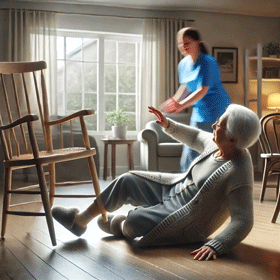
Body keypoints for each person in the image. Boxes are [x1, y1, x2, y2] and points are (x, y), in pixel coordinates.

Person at [51, 104, 261, 261]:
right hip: (172, 189)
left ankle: (120, 223)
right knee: (127, 180)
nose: (214, 125)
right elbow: (196, 136)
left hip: (184, 216)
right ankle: (80, 220)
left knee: (133, 225)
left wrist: (217, 245)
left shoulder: (238, 171)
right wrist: (168, 125)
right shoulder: (218, 145)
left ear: (233, 140)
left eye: (220, 125)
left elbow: (243, 220)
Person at [160, 27, 231, 172]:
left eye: (187, 42)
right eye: (181, 43)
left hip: (217, 110)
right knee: (190, 150)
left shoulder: (208, 61)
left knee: (215, 150)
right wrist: (174, 101)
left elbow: (202, 89)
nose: (184, 46)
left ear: (197, 42)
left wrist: (180, 105)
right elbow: (185, 86)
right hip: (199, 111)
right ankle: (188, 182)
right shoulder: (183, 64)